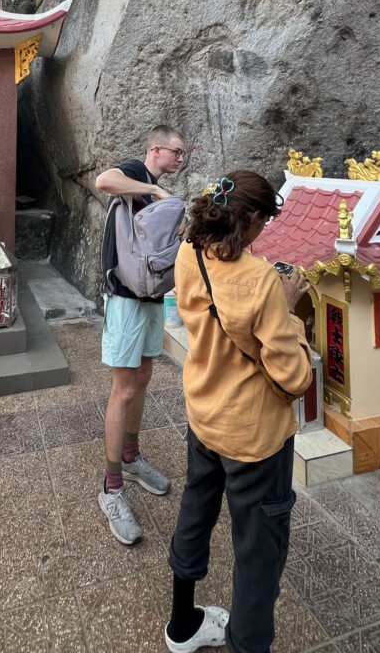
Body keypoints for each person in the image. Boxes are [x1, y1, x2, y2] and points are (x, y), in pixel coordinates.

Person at [165, 170, 313, 653]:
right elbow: (293, 376)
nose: (263, 231)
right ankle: (247, 644)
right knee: (258, 548)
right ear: (248, 220)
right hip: (252, 434)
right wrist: (289, 310)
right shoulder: (261, 279)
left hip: (203, 412)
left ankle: (182, 624)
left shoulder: (189, 252)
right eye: (263, 222)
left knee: (196, 506)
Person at [95, 124, 187, 545]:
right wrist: (152, 190)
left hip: (151, 297)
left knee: (144, 376)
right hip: (125, 298)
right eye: (176, 152)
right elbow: (104, 180)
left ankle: (131, 457)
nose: (180, 159)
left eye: (183, 154)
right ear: (156, 149)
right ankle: (111, 487)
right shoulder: (135, 172)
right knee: (124, 388)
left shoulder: (156, 188)